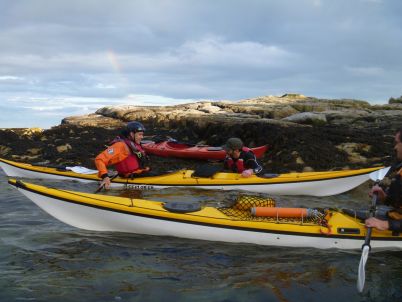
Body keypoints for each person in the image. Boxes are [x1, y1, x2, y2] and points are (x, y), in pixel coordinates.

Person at [365, 128, 402, 233]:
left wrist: (384, 224)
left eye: (397, 143)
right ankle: (315, 217)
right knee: (329, 214)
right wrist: (384, 198)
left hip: (397, 224)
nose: (395, 147)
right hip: (396, 219)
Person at [95, 121, 150, 189]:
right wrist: (105, 177)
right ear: (132, 134)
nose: (142, 137)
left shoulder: (134, 143)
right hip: (131, 176)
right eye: (140, 134)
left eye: (142, 135)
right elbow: (99, 159)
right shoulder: (120, 145)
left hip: (139, 172)